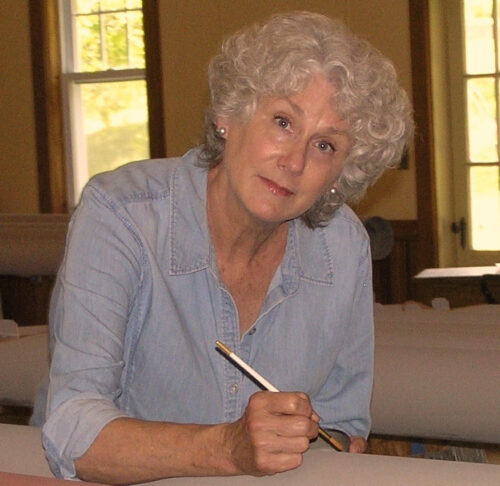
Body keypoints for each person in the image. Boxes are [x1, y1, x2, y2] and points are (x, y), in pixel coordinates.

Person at [38, 10, 413, 484]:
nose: (293, 161)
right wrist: (226, 448)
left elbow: (342, 422)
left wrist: (334, 442)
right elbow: (72, 433)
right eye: (282, 122)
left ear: (342, 173)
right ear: (229, 116)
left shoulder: (343, 247)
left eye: (324, 146)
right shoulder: (122, 214)